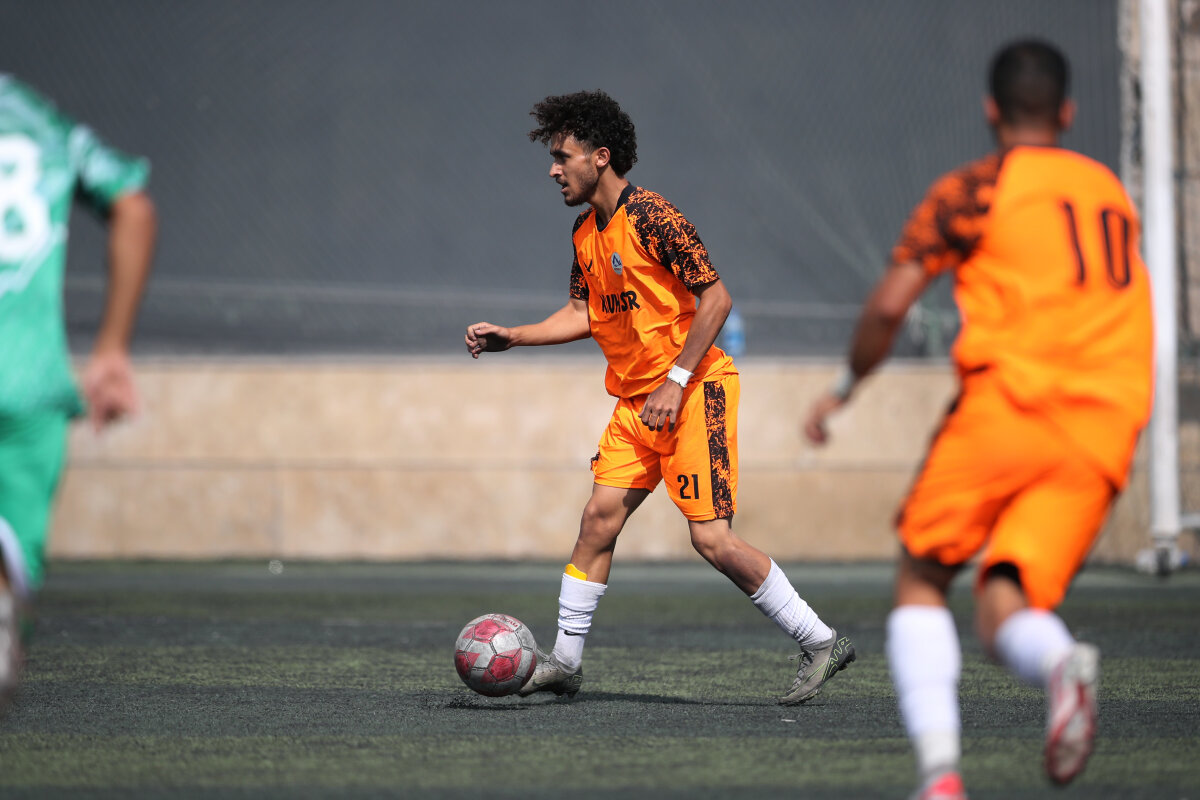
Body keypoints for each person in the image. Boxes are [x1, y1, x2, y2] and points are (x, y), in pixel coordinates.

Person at [803, 40, 1153, 799]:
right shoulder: (1109, 192)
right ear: (1068, 112)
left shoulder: (975, 188)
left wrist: (844, 388)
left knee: (923, 578)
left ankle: (940, 778)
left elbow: (890, 306)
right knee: (1004, 603)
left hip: (1012, 405)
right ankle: (1059, 664)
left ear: (992, 111)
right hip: (1108, 424)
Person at [466, 90, 854, 703]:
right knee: (598, 520)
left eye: (562, 157)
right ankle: (565, 662)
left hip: (694, 390)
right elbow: (582, 312)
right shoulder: (583, 232)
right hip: (636, 402)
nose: (553, 170)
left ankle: (821, 640)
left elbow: (717, 299)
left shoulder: (652, 215)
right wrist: (514, 335)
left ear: (600, 156)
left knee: (711, 540)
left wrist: (675, 379)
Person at [0, 74, 157, 711]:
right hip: (28, 380)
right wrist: (112, 347)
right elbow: (134, 207)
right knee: (15, 552)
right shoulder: (41, 123)